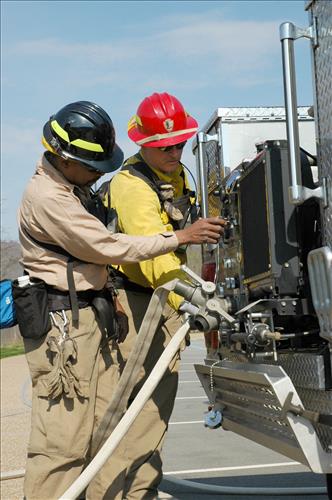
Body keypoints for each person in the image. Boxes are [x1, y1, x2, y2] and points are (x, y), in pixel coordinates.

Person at [18, 100, 225, 500]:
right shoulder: (49, 198)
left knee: (104, 428)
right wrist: (181, 243)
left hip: (91, 315)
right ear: (64, 158)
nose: (99, 174)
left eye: (180, 144)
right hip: (64, 329)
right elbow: (107, 247)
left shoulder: (72, 187)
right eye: (93, 167)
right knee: (63, 441)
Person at [89, 92, 226, 499]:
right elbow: (151, 255)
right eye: (163, 146)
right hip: (135, 307)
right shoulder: (132, 187)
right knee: (137, 416)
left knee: (153, 415)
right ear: (142, 145)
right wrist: (191, 297)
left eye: (180, 143)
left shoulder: (175, 175)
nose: (173, 151)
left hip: (159, 302)